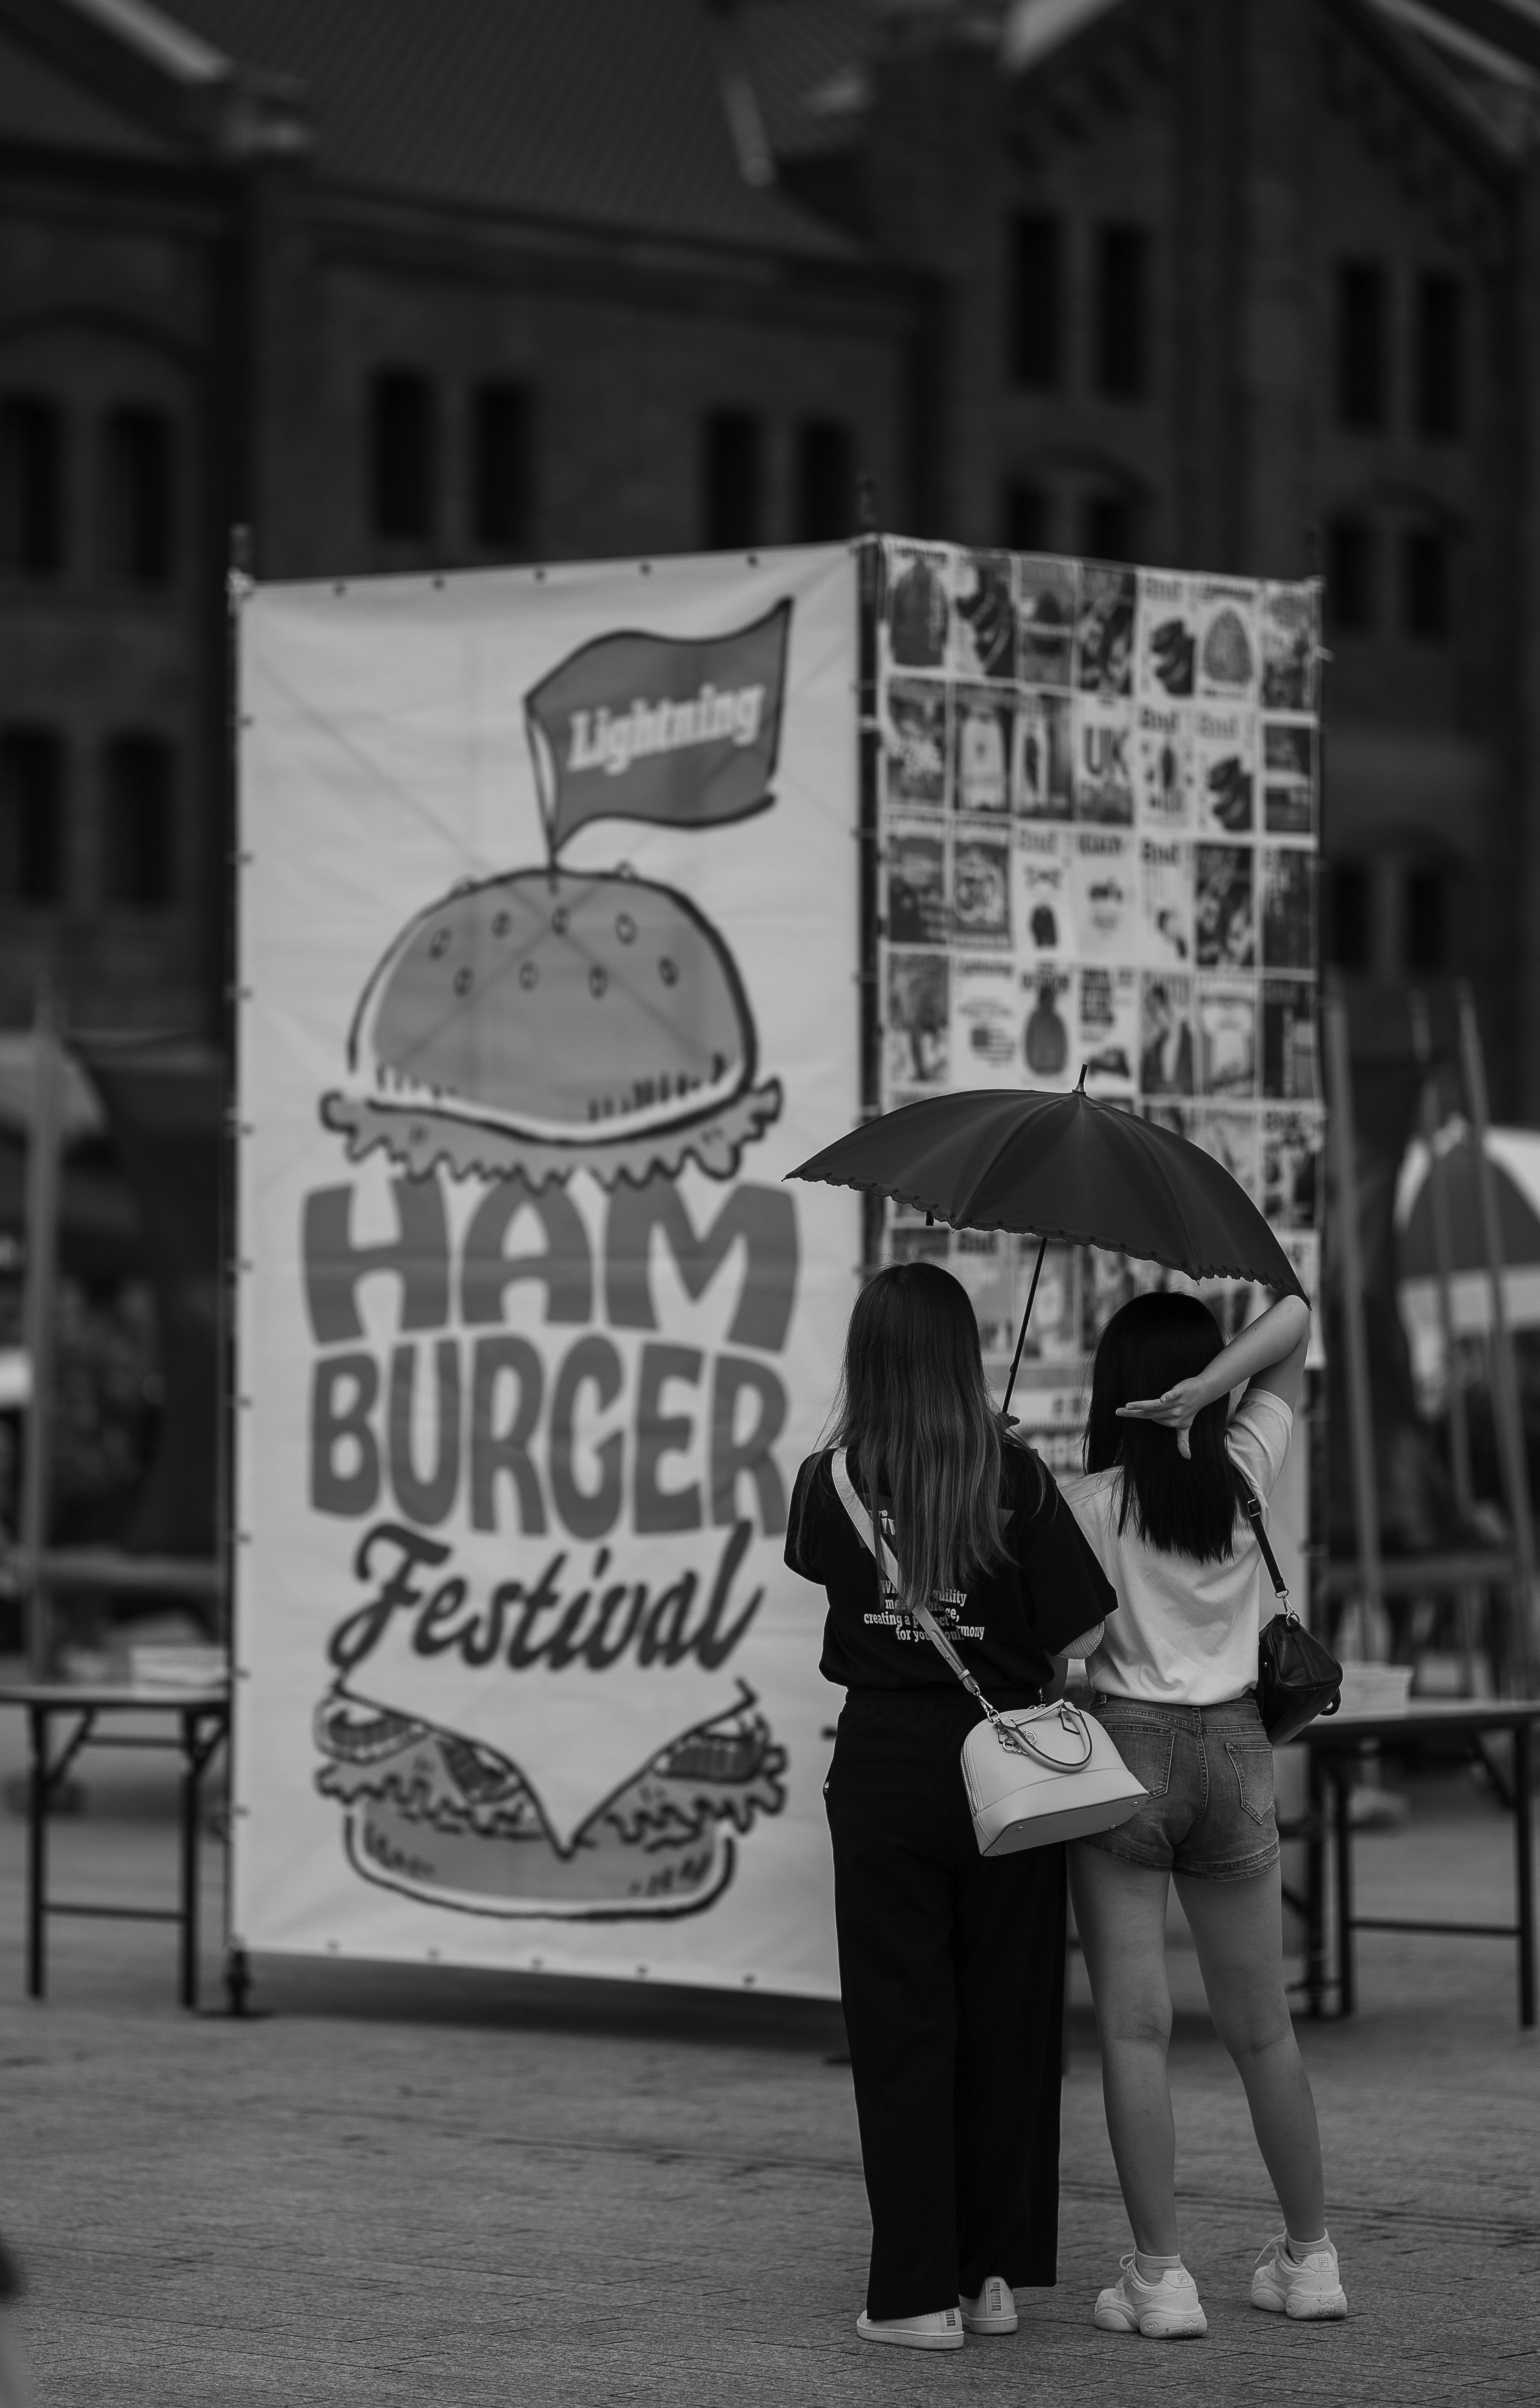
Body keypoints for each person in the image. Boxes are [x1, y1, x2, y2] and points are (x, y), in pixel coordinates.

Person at [785, 1260, 1115, 2352]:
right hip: (1005, 1766)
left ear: (867, 1356)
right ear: (961, 1355)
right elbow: (1079, 1638)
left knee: (898, 2028)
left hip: (880, 1764)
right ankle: (987, 2277)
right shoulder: (1014, 1477)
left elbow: (816, 1568)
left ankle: (913, 2292)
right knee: (1007, 2024)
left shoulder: (824, 1478)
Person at [1061, 1287, 1346, 2339]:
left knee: (1135, 2031)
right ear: (1197, 1382)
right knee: (1262, 2028)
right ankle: (1309, 2259)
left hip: (1126, 1749)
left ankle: (1159, 2278)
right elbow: (1296, 1318)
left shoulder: (1087, 1504)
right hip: (1237, 1749)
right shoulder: (1245, 1474)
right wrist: (1213, 1394)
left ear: (1109, 1392)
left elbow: (1073, 1658)